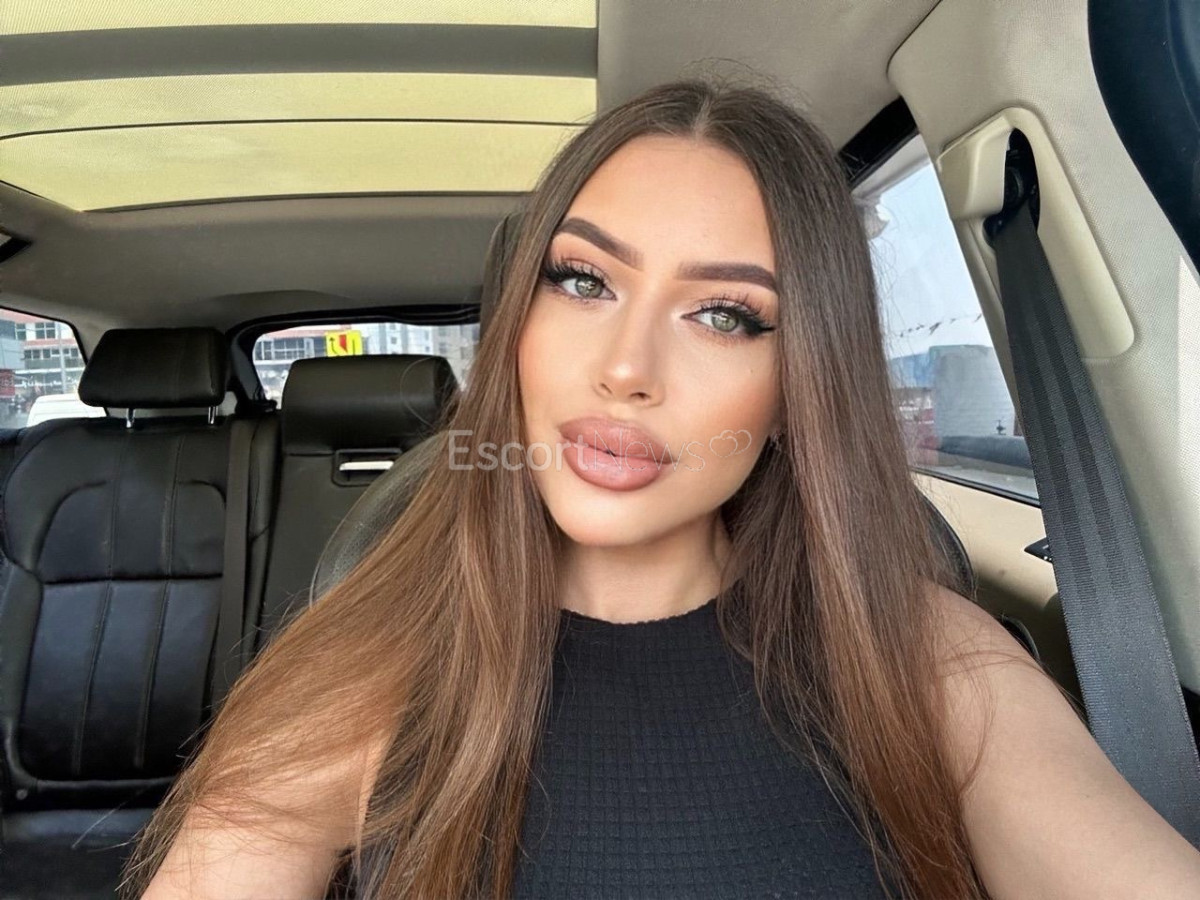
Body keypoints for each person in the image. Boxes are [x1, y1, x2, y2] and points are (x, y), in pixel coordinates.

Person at [125, 78, 1200, 900]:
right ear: (517, 322)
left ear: (800, 384)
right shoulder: (353, 670)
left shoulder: (926, 661)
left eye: (725, 315)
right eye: (582, 280)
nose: (627, 368)